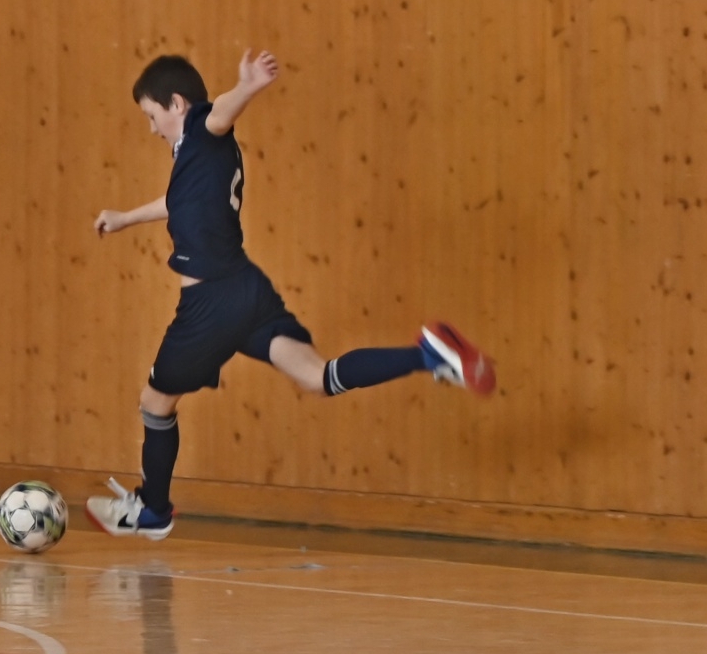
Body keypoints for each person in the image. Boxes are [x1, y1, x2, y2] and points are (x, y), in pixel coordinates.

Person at [88, 51, 495, 540]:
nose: (152, 128)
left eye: (152, 116)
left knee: (155, 402)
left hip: (210, 304)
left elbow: (218, 114)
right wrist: (126, 218)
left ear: (176, 104)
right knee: (317, 377)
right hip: (247, 291)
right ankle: (429, 356)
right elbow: (178, 202)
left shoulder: (201, 129)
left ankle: (153, 510)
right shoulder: (195, 159)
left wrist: (248, 87)